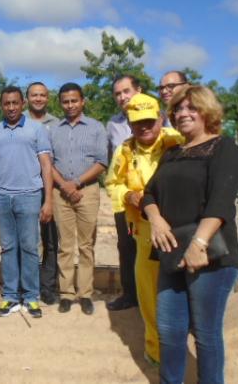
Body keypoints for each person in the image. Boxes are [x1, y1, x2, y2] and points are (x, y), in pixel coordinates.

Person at [143, 86, 238, 384]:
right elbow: (148, 193)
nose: (183, 114)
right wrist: (156, 219)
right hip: (172, 252)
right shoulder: (172, 153)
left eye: (191, 108)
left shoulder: (224, 147)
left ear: (207, 111)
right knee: (170, 331)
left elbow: (221, 200)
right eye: (177, 109)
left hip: (210, 255)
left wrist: (199, 243)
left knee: (205, 334)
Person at [105, 93, 183, 366]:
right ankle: (155, 349)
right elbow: (112, 182)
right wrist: (127, 196)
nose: (144, 127)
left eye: (149, 121)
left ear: (161, 119)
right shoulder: (125, 150)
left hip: (180, 229)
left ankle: (181, 342)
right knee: (148, 293)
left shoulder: (176, 142)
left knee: (178, 290)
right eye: (137, 122)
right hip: (145, 231)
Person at [0, 86, 53, 318]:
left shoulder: (37, 130)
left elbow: (46, 165)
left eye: (15, 103)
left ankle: (31, 297)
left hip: (30, 195)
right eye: (7, 103)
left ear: (23, 103)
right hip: (3, 197)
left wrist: (49, 200)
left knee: (29, 247)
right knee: (8, 248)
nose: (11, 107)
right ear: (1, 105)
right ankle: (10, 297)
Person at [50, 83, 108, 315]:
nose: (70, 105)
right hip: (60, 192)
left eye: (74, 100)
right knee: (65, 246)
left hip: (88, 191)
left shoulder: (96, 127)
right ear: (61, 103)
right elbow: (48, 162)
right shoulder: (54, 129)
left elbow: (102, 162)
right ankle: (65, 293)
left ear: (82, 101)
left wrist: (77, 183)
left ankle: (85, 294)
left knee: (86, 245)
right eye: (66, 101)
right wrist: (64, 185)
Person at [105, 76, 141, 311]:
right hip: (124, 198)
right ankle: (131, 295)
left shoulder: (162, 119)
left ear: (139, 90)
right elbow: (112, 162)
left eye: (126, 91)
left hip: (154, 197)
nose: (122, 97)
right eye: (118, 94)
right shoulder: (113, 125)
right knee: (126, 246)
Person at [23, 81, 60, 305]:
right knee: (27, 241)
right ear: (27, 99)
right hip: (25, 189)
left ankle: (47, 287)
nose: (38, 99)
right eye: (34, 95)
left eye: (42, 95)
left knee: (50, 240)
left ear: (48, 98)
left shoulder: (56, 124)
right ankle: (28, 285)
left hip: (51, 189)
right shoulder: (19, 121)